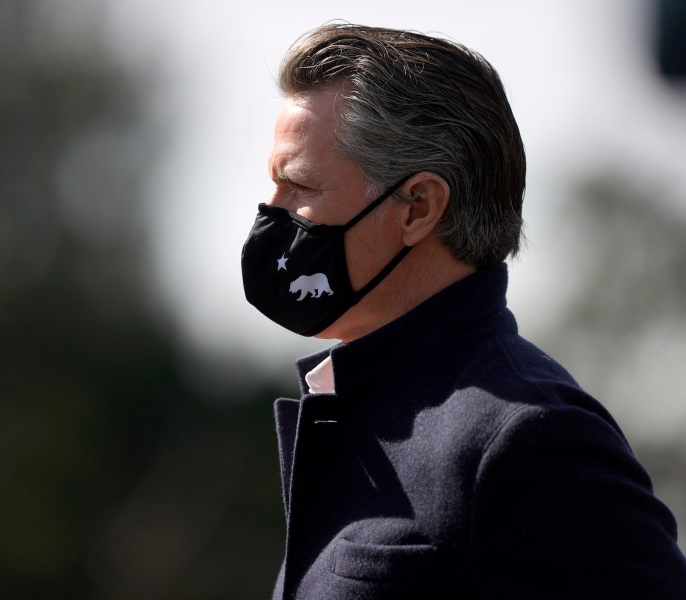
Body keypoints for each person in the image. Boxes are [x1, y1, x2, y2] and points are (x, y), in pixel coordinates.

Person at [240, 24, 686, 599]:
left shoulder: (529, 438)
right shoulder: (361, 411)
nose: (271, 213)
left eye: (298, 184)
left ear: (418, 207)